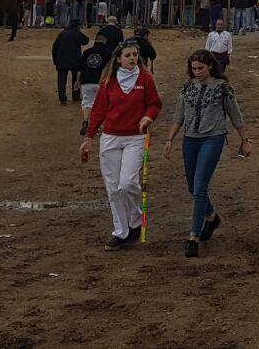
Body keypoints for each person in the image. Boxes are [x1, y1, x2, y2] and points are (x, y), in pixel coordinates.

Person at [160, 50, 248, 257]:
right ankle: (211, 216)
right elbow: (179, 115)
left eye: (201, 68)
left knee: (200, 186)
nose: (197, 72)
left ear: (210, 66)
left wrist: (246, 139)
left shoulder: (223, 87)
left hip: (213, 138)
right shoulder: (187, 86)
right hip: (190, 139)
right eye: (194, 69)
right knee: (193, 186)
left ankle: (194, 235)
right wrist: (169, 139)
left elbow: (236, 115)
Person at [79, 40, 162, 250]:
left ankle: (135, 220)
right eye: (128, 55)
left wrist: (148, 117)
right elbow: (98, 111)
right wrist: (88, 137)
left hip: (135, 136)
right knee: (113, 188)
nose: (132, 58)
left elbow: (154, 103)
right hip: (110, 137)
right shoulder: (109, 81)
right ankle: (121, 232)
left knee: (128, 183)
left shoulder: (145, 78)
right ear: (118, 59)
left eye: (135, 55)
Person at [78, 31, 115, 137]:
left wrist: (78, 81)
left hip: (86, 81)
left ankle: (86, 121)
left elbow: (81, 69)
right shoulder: (109, 53)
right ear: (105, 42)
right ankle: (98, 127)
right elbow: (111, 68)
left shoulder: (86, 52)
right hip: (101, 82)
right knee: (101, 106)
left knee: (87, 103)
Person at [50, 23, 88, 106]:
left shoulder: (62, 34)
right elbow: (85, 41)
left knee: (61, 80)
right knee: (76, 78)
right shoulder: (77, 33)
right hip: (75, 60)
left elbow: (54, 47)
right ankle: (76, 96)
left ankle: (62, 99)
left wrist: (55, 60)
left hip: (62, 61)